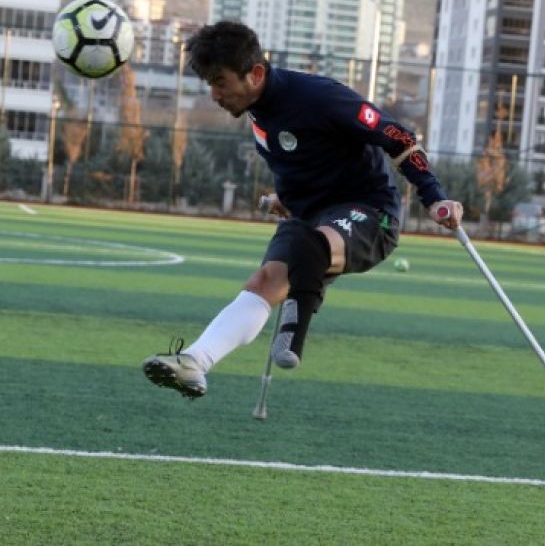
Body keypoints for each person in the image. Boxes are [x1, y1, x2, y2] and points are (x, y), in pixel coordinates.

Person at [142, 21, 462, 399]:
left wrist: (435, 196)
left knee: (310, 242)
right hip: (311, 217)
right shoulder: (256, 108)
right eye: (209, 84)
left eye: (220, 82)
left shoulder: (318, 96)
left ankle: (295, 330)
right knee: (265, 281)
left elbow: (398, 136)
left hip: (371, 214)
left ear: (255, 73)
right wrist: (287, 199)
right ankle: (196, 361)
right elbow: (308, 162)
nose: (214, 95)